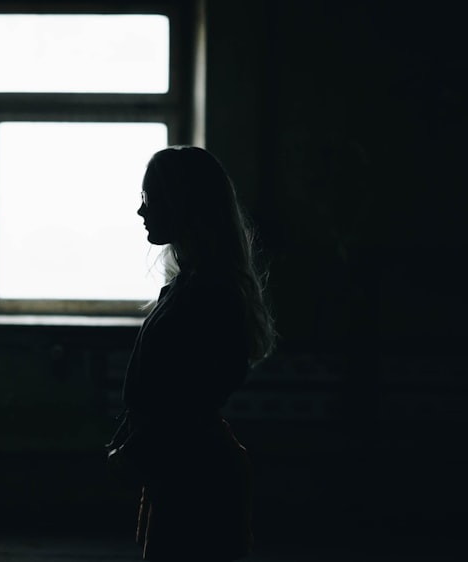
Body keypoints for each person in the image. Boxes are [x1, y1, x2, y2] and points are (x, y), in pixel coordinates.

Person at [105, 145, 276, 561]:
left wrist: (133, 450)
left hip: (194, 474)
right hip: (184, 468)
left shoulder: (207, 295)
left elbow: (186, 400)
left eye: (150, 199)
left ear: (182, 203)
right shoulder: (193, 287)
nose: (141, 212)